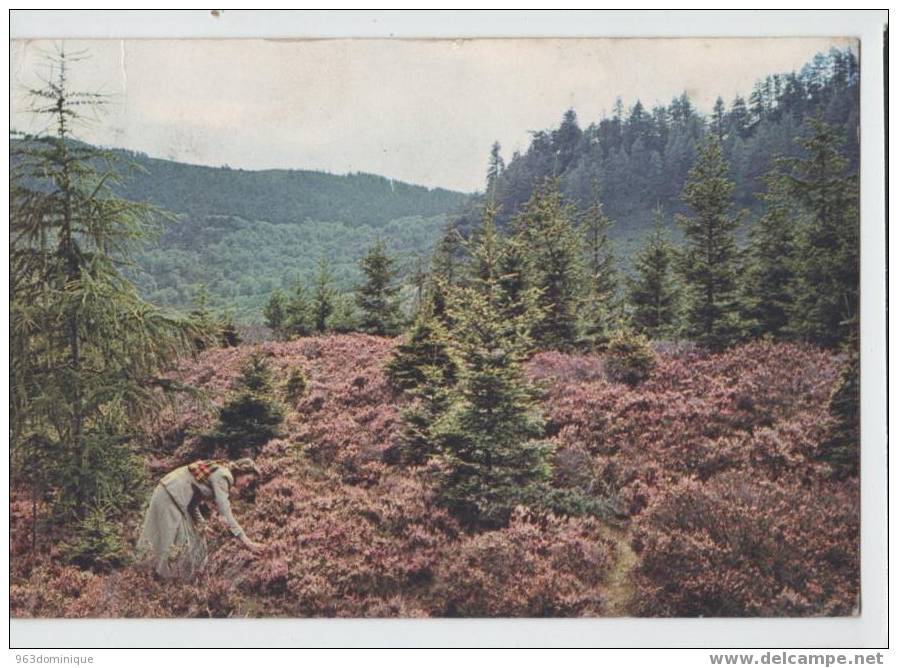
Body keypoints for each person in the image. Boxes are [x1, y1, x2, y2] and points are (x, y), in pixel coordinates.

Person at [136, 457, 265, 580]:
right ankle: (155, 580)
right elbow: (225, 511)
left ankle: (160, 578)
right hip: (171, 494)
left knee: (191, 539)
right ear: (241, 472)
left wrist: (202, 524)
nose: (246, 485)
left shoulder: (222, 472)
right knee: (171, 539)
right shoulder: (223, 476)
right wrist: (246, 541)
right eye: (247, 480)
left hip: (174, 494)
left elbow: (193, 502)